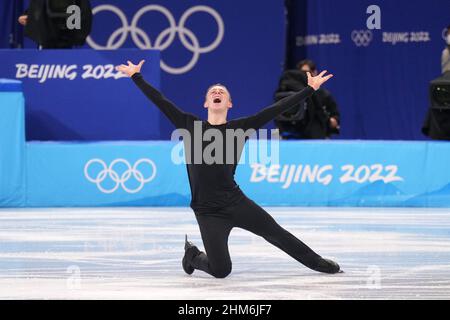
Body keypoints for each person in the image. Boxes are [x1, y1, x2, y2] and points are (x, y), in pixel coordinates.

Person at [116, 60, 341, 278]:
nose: (217, 92)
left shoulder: (240, 127)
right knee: (221, 270)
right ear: (206, 103)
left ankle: (317, 262)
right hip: (207, 211)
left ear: (229, 104)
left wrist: (309, 90)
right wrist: (137, 76)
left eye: (222, 92)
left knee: (275, 233)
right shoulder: (189, 126)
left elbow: (275, 109)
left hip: (235, 202)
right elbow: (160, 101)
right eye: (213, 91)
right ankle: (192, 256)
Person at [274, 59, 340, 139]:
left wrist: (330, 121)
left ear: (315, 72)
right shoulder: (286, 93)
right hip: (294, 136)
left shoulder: (323, 94)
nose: (306, 76)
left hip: (310, 137)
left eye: (307, 73)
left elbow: (334, 117)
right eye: (303, 73)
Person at [18, 0, 92, 49]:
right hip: (46, 38)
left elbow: (84, 11)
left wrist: (77, 35)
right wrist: (30, 16)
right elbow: (39, 5)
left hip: (67, 38)